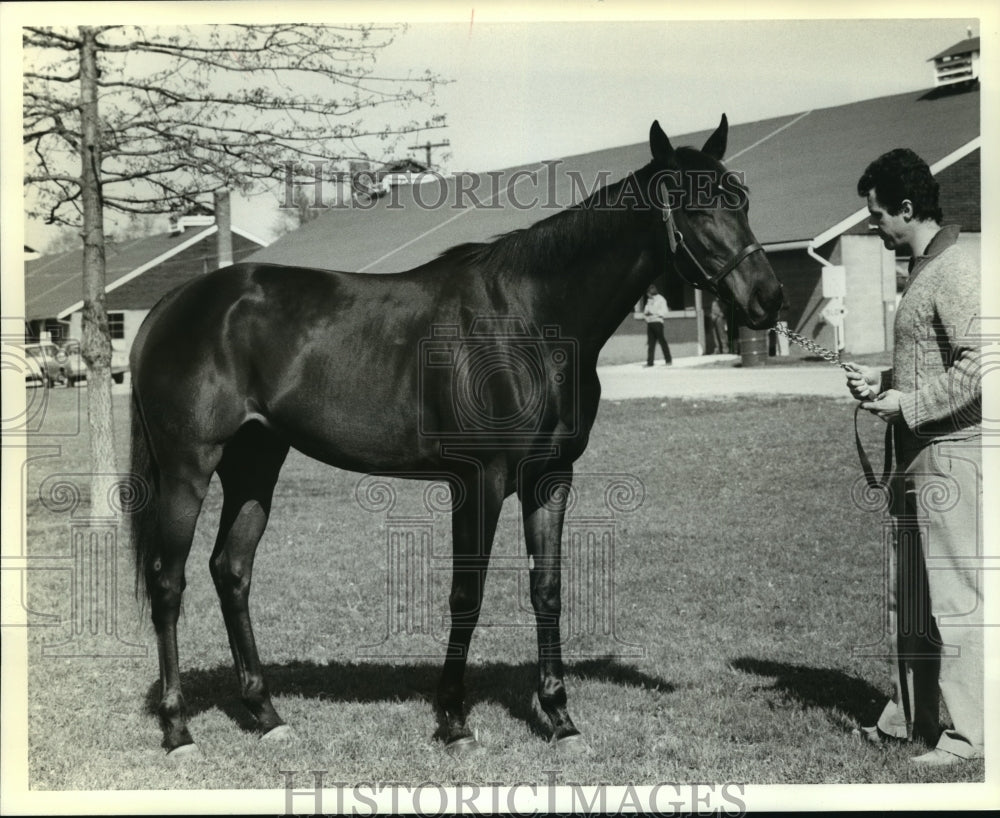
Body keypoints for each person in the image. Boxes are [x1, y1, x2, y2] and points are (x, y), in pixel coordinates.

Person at [845, 148, 982, 766]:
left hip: (951, 456)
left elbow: (984, 365)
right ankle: (909, 721)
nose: (875, 227)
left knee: (956, 597)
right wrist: (882, 383)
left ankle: (973, 737)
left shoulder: (955, 269)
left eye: (878, 216)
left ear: (906, 208)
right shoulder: (924, 269)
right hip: (916, 454)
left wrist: (910, 404)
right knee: (912, 597)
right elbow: (932, 359)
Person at [643, 285, 672, 366]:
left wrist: (654, 313)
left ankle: (668, 360)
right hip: (650, 323)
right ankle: (650, 362)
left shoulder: (661, 299)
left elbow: (665, 311)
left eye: (651, 290)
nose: (649, 294)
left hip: (657, 322)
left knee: (662, 341)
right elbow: (645, 312)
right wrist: (647, 317)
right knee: (651, 343)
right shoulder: (649, 300)